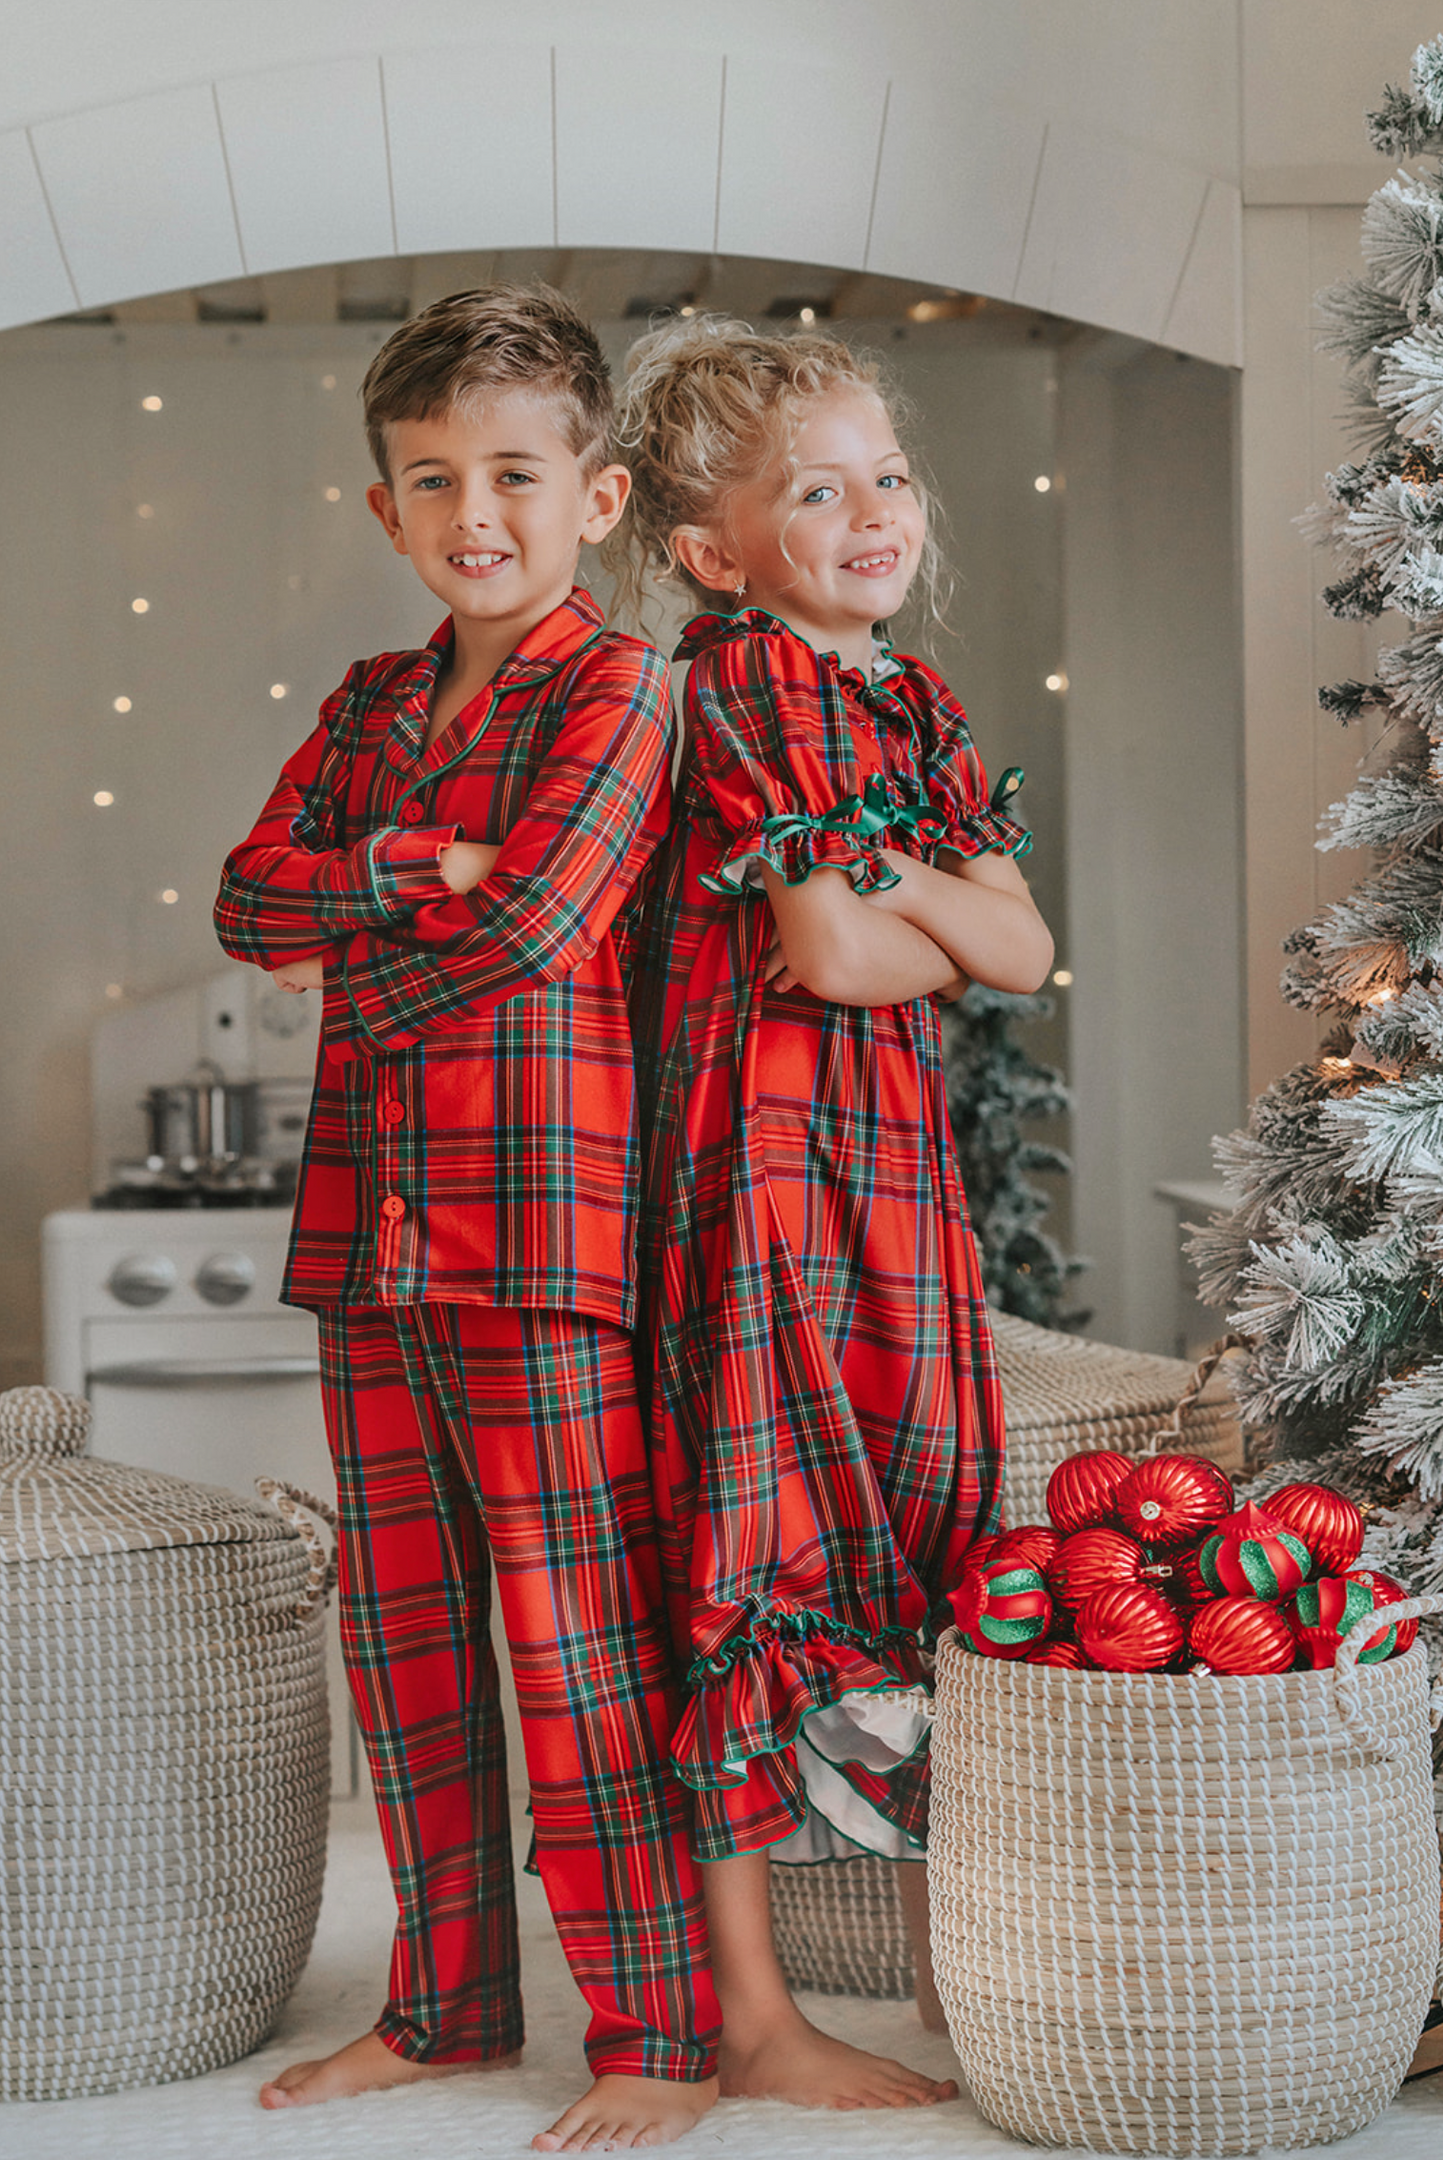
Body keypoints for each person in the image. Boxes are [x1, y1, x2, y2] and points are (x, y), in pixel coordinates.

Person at [214, 286, 720, 2155]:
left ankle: (655, 2030)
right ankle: (441, 2009)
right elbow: (245, 902)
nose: (472, 509)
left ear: (596, 495)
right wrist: (414, 863)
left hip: (542, 1251)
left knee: (575, 1641)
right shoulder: (368, 708)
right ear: (386, 511)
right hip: (369, 1244)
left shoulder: (627, 688)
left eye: (513, 471)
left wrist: (371, 934)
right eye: (433, 479)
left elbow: (541, 931)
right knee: (408, 1650)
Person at [612, 318, 1054, 2112]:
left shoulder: (915, 705)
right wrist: (920, 890)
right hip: (765, 1162)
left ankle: (960, 1965)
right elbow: (837, 952)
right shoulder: (744, 686)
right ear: (714, 552)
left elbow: (1014, 956)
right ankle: (756, 2015)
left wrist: (904, 886)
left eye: (887, 475)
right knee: (761, 1525)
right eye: (817, 489)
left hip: (895, 1168)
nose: (872, 510)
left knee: (929, 1504)